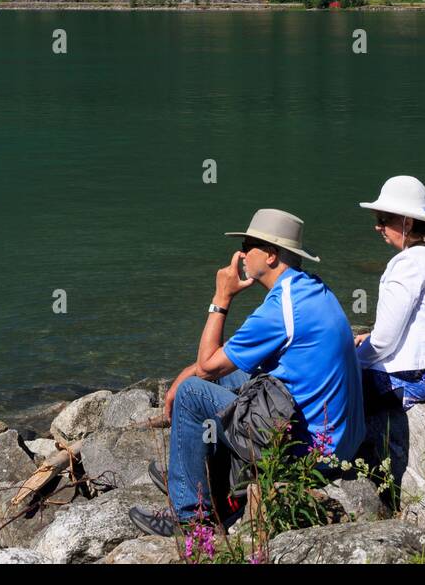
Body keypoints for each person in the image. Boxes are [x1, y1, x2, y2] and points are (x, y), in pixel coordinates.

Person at [129, 208, 364, 537]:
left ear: (270, 255)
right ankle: (200, 474)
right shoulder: (310, 289)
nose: (240, 252)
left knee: (191, 393)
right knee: (226, 377)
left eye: (248, 244)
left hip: (311, 453)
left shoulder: (280, 309)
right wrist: (194, 371)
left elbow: (208, 362)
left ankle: (191, 518)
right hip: (343, 439)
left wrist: (221, 297)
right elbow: (224, 364)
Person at [355, 174, 425, 414]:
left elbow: (384, 342)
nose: (378, 227)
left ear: (407, 223)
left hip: (423, 376)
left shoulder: (408, 263)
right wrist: (372, 335)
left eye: (384, 220)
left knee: (333, 381)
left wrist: (352, 361)